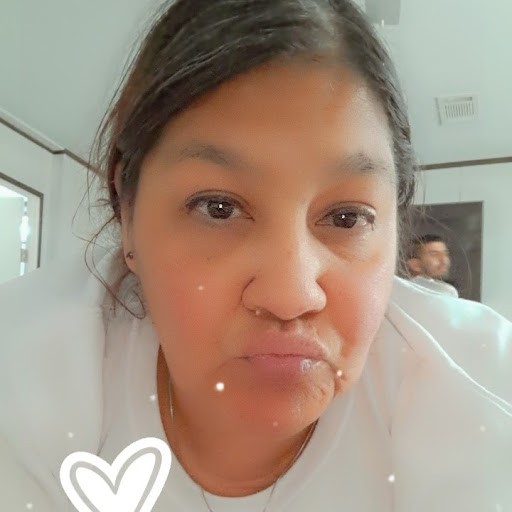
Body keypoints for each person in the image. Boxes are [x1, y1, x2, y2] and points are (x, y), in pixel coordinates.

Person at [1, 1, 510, 511]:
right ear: (128, 214)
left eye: (346, 218)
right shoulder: (23, 377)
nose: (291, 296)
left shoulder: (479, 394)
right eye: (218, 208)